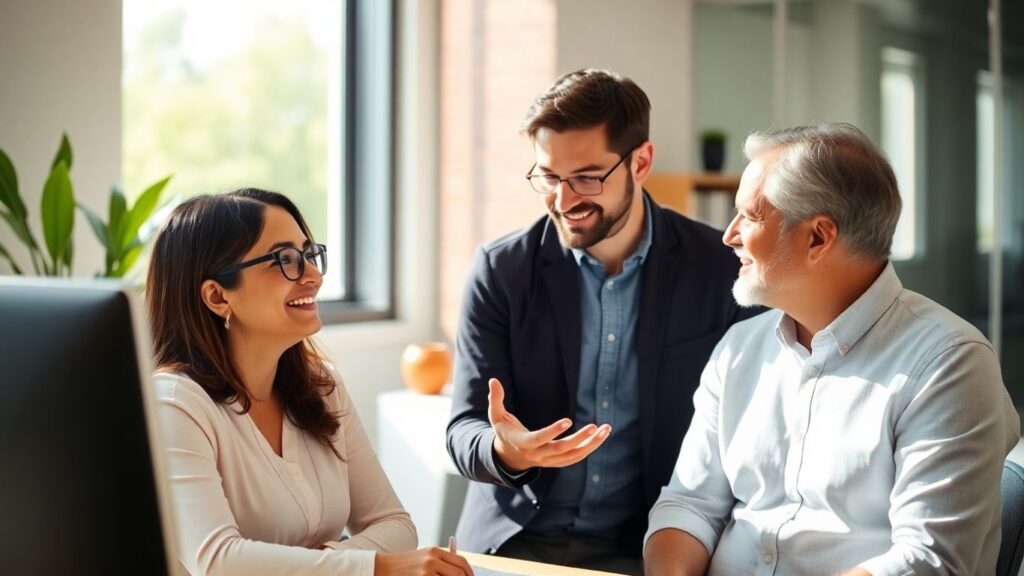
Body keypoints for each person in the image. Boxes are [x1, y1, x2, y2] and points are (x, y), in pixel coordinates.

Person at [643, 123, 1021, 575]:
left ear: (818, 238)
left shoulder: (949, 362)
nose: (729, 234)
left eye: (750, 215)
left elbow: (928, 560)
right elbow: (689, 505)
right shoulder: (739, 348)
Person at [445, 69, 760, 575]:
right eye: (549, 177)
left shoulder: (720, 270)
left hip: (650, 547)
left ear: (641, 162)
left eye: (587, 177)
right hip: (516, 543)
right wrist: (506, 450)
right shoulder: (500, 270)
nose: (564, 201)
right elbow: (464, 430)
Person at [147, 188, 474, 576]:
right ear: (218, 296)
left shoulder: (323, 387)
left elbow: (396, 525)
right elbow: (218, 562)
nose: (314, 276)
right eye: (285, 260)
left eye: (308, 255)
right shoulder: (173, 403)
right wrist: (373, 567)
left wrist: (319, 564)